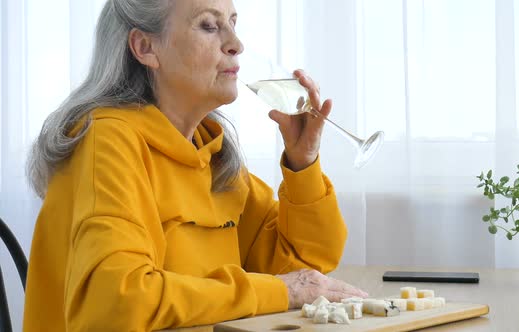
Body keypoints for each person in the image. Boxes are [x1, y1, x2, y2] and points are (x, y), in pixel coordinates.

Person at [23, 0, 367, 331]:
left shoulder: (210, 152)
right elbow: (115, 303)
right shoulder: (106, 141)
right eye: (209, 25)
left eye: (232, 23)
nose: (236, 44)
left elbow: (304, 268)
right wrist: (281, 292)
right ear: (145, 47)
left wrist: (302, 164)